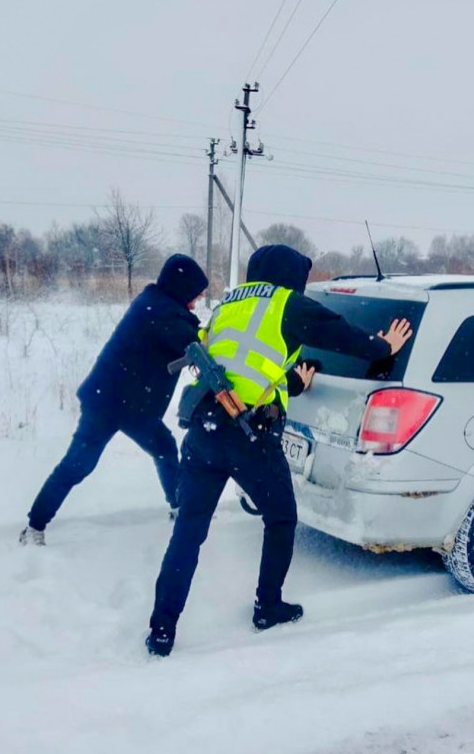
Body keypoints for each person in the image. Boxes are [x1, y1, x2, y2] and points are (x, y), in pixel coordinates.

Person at [146, 244, 413, 656]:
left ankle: (161, 630)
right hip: (249, 437)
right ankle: (267, 607)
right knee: (281, 519)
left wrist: (292, 385)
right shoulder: (287, 303)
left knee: (189, 531)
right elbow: (342, 335)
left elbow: (239, 365)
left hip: (204, 428)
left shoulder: (228, 306)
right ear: (290, 276)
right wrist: (385, 347)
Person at [19, 254, 208, 546]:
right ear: (181, 288)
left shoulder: (154, 302)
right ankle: (34, 526)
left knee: (160, 448)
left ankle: (178, 506)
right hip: (115, 404)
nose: (195, 302)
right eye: (194, 296)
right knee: (79, 465)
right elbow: (196, 343)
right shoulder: (162, 312)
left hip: (123, 404)